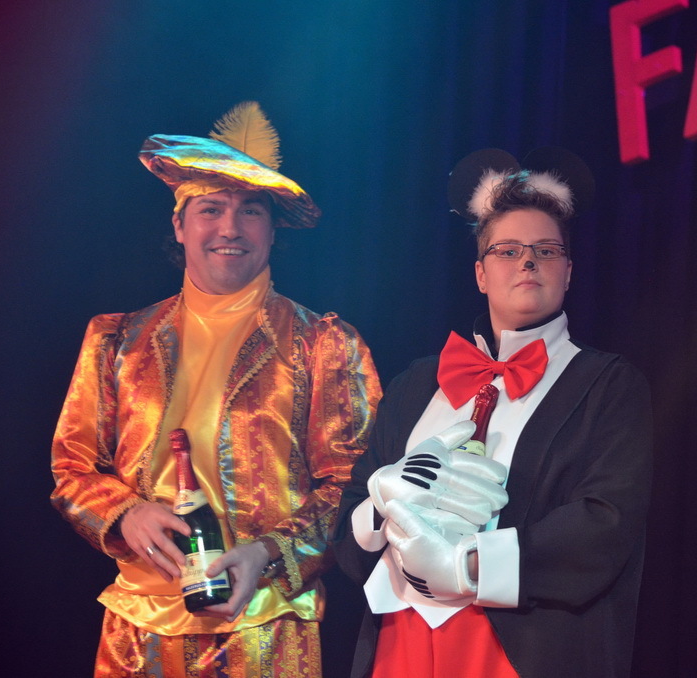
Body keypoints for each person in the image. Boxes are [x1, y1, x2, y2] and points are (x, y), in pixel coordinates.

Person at [50, 101, 382, 676]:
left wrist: (267, 554)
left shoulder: (324, 344)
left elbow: (354, 489)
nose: (230, 228)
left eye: (250, 211)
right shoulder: (116, 340)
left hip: (266, 629)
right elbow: (72, 468)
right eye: (211, 209)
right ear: (179, 226)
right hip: (136, 632)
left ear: (273, 230)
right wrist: (125, 514)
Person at [332, 148, 653, 678]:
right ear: (480, 273)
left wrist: (467, 566)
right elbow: (347, 534)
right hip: (400, 643)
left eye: (546, 250)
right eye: (507, 250)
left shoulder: (608, 385)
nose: (528, 262)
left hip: (521, 647)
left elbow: (603, 526)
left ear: (568, 272)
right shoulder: (415, 383)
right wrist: (381, 503)